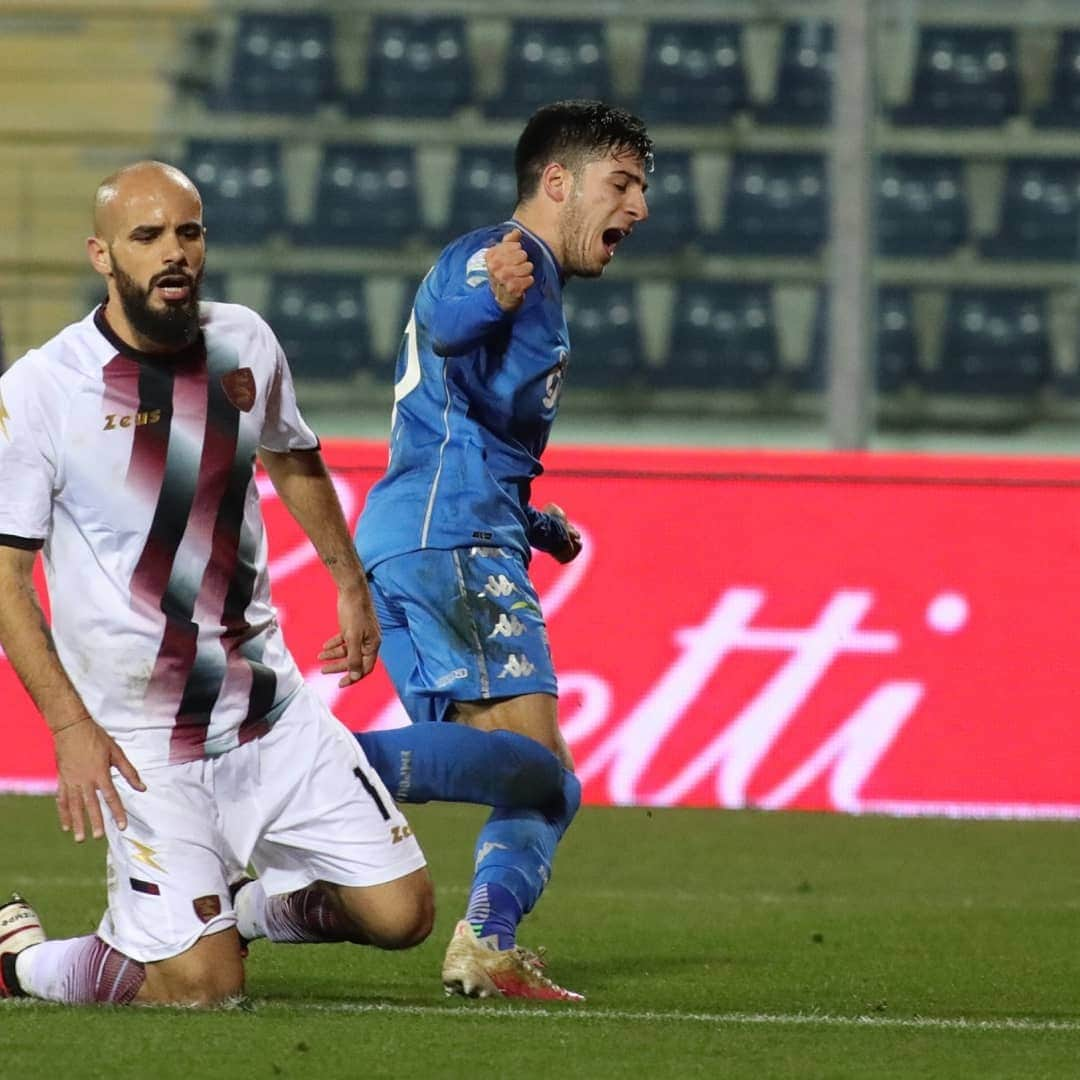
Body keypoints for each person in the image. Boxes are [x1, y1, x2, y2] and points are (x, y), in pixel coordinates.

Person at [0, 161, 433, 1008]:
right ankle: (20, 961)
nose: (174, 253)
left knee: (401, 914)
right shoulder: (42, 392)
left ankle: (237, 908)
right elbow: (7, 584)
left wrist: (350, 582)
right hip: (145, 738)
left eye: (189, 233)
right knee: (200, 987)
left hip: (270, 710)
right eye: (148, 236)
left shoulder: (244, 340)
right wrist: (69, 726)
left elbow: (290, 452)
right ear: (102, 254)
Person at [322, 100, 652, 1001]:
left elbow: (460, 409)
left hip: (432, 534)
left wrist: (530, 519)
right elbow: (452, 315)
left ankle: (486, 941)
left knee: (538, 783)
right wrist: (487, 290)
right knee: (546, 774)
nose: (639, 210)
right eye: (621, 185)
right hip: (450, 542)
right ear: (558, 183)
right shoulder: (505, 257)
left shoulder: (535, 278)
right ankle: (306, 763)